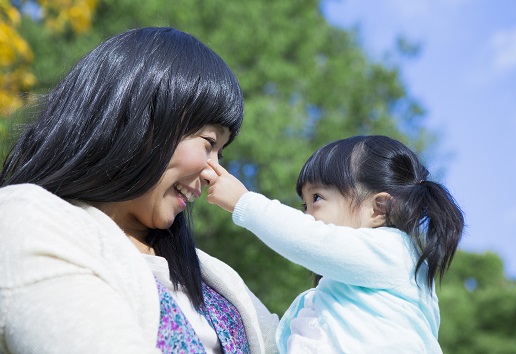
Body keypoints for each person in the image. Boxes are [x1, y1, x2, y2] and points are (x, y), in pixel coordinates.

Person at [0, 27, 278, 354]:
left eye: (221, 153)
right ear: (143, 120)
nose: (214, 172)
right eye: (209, 143)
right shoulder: (27, 220)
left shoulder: (216, 277)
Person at [203, 135, 465, 353]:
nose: (306, 216)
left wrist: (244, 202)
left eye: (316, 198)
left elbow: (310, 238)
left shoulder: (396, 253)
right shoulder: (333, 297)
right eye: (303, 205)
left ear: (379, 208)